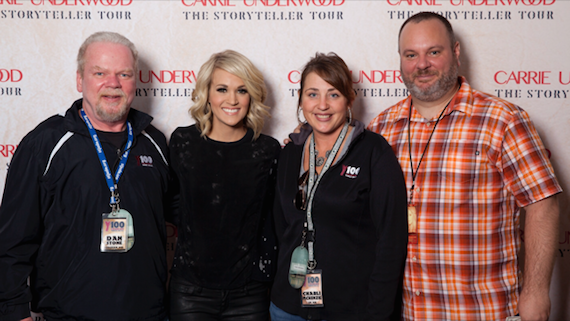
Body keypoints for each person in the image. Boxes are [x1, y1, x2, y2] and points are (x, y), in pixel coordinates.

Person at [368, 12, 561, 321]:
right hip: (405, 312)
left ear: (455, 52)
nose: (422, 64)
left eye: (434, 51)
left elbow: (543, 203)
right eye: (411, 54)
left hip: (483, 311)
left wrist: (536, 292)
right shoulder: (381, 127)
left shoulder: (502, 120)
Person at [0, 32, 170, 320]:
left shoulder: (154, 141)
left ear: (135, 81)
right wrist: (14, 312)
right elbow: (12, 241)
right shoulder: (45, 143)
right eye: (100, 72)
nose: (113, 83)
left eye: (124, 74)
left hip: (148, 313)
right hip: (69, 314)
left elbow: (183, 217)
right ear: (80, 80)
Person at [271, 53, 408, 321]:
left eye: (333, 94)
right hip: (287, 306)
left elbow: (391, 239)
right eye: (312, 94)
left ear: (348, 99)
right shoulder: (289, 154)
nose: (322, 105)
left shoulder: (372, 151)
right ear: (301, 100)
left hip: (351, 308)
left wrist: (378, 311)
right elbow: (281, 226)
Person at [168, 50, 281, 321]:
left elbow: (273, 216)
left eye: (241, 90)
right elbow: (171, 203)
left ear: (251, 95)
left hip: (249, 294)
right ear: (207, 94)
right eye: (222, 89)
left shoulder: (268, 150)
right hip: (190, 293)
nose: (232, 100)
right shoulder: (183, 142)